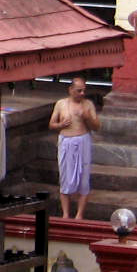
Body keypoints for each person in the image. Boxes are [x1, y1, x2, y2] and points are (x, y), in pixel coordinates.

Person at [49, 76, 100, 220]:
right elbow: (51, 124)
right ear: (71, 90)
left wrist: (87, 117)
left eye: (84, 91)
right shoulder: (61, 104)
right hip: (66, 141)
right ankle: (65, 214)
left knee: (84, 178)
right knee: (66, 178)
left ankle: (79, 215)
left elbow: (97, 126)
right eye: (79, 91)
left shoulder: (88, 105)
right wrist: (60, 125)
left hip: (83, 139)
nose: (82, 94)